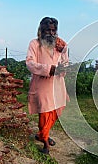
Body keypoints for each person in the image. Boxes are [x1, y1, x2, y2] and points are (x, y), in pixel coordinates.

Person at [26, 17, 69, 154]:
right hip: (42, 85)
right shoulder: (34, 44)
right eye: (47, 30)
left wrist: (63, 68)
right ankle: (45, 142)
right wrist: (48, 69)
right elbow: (30, 63)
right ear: (41, 30)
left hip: (57, 84)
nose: (50, 33)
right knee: (45, 113)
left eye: (53, 30)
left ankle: (41, 135)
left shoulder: (60, 45)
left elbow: (65, 62)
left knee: (57, 110)